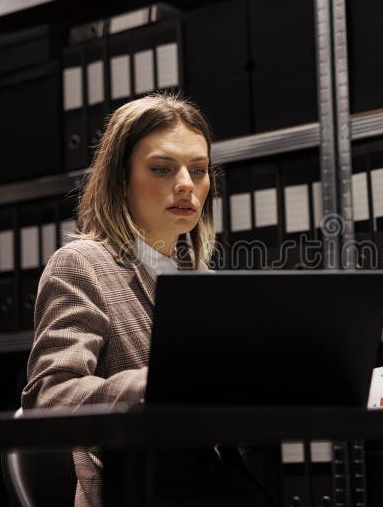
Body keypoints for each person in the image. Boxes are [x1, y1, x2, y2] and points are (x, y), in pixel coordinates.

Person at [21, 93, 273, 507]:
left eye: (199, 170)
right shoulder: (82, 265)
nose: (186, 185)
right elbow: (49, 398)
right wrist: (154, 387)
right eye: (162, 169)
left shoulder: (203, 280)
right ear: (121, 179)